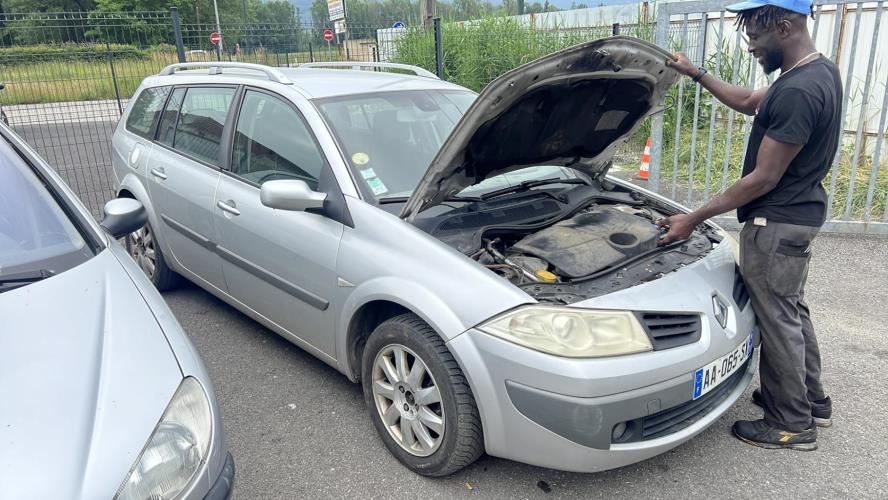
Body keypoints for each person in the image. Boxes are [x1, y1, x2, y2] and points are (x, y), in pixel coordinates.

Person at [658, 0, 840, 450]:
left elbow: (764, 177)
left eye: (756, 36)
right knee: (791, 310)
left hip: (776, 222)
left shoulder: (799, 91)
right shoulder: (814, 73)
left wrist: (693, 218)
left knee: (777, 318)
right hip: (796, 218)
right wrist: (696, 72)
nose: (751, 47)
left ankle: (792, 423)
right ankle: (810, 399)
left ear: (784, 26)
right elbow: (746, 100)